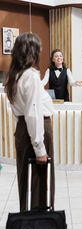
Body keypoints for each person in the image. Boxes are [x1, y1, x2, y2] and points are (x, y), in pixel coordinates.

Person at [4, 32, 55, 212]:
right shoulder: (31, 76)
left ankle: (26, 226)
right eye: (38, 49)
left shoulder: (14, 75)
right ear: (32, 52)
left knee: (26, 180)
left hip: (22, 130)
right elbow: (33, 113)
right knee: (40, 185)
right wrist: (40, 148)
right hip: (35, 131)